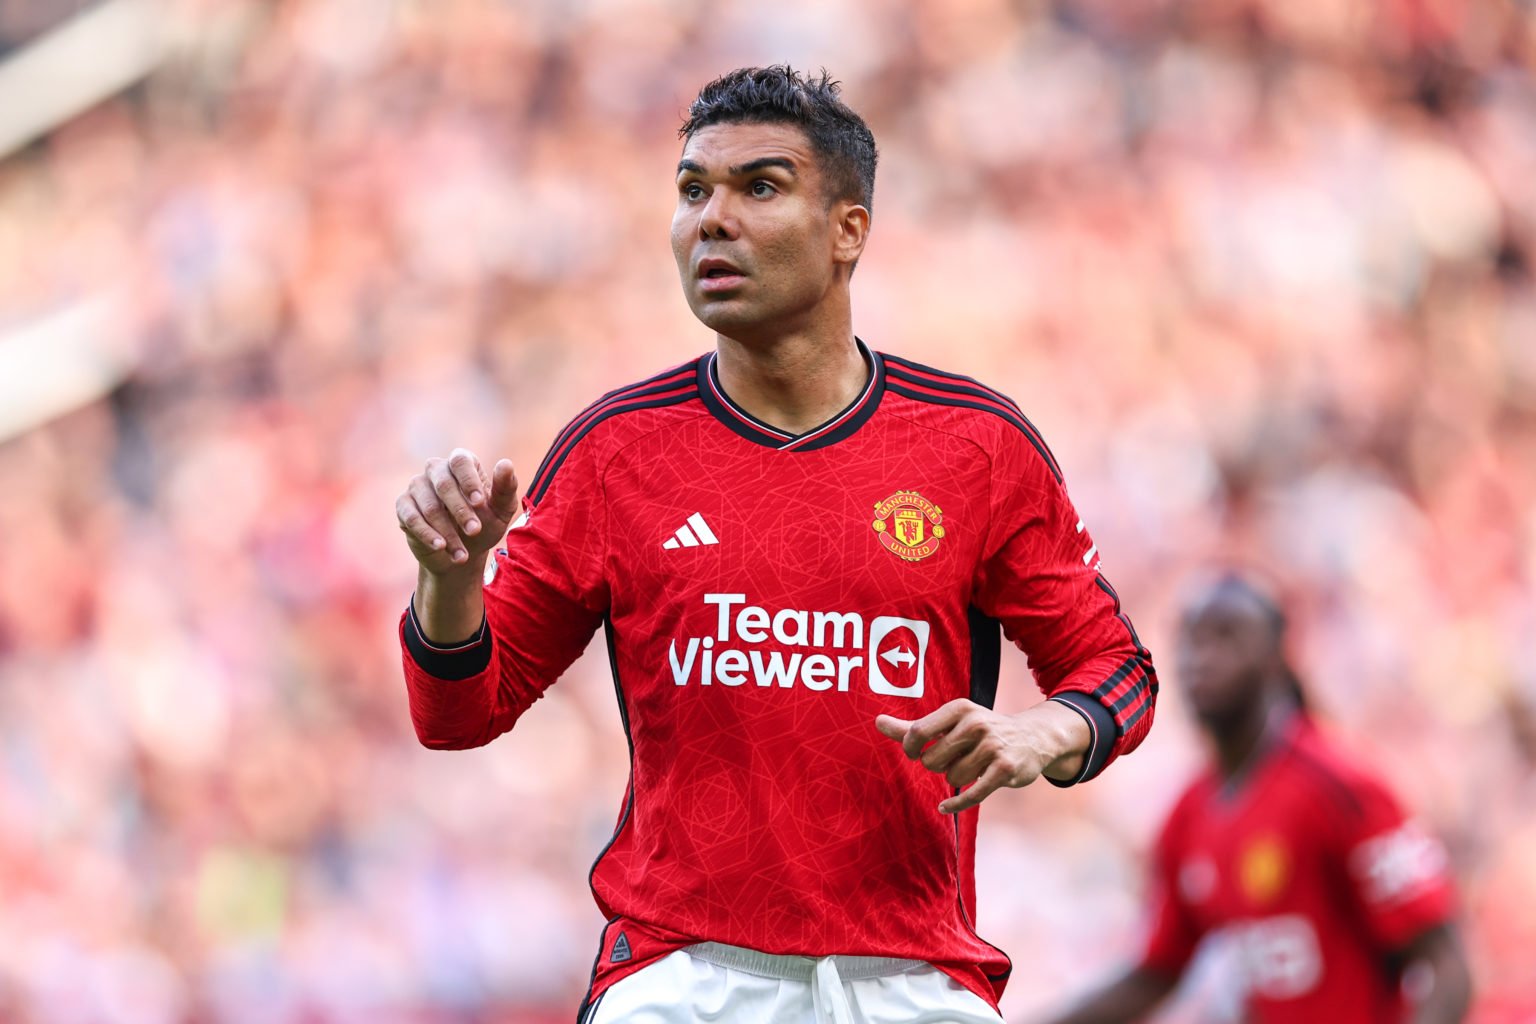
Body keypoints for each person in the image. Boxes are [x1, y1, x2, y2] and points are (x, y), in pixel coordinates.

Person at [394, 65, 1157, 1024]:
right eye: (691, 191)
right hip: (680, 978)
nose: (711, 219)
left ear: (849, 232)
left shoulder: (975, 446)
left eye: (759, 187)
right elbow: (458, 713)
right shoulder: (615, 451)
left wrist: (1052, 730)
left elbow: (1117, 668)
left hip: (914, 979)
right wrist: (449, 583)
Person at [1037, 575, 1472, 1024]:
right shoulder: (1188, 816)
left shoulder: (1341, 786)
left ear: (1276, 658)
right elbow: (1155, 973)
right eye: (1190, 639)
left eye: (1226, 636)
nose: (1199, 658)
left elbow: (1447, 963)